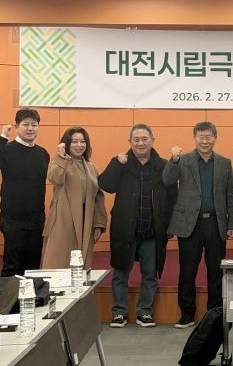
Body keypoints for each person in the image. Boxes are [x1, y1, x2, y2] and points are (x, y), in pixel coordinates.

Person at [98, 124, 178, 329]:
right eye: (136, 139)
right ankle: (119, 312)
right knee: (120, 272)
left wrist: (169, 226)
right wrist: (116, 164)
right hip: (125, 230)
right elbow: (105, 185)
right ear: (130, 142)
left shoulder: (163, 166)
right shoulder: (121, 163)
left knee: (150, 274)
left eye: (144, 139)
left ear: (152, 140)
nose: (140, 143)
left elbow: (173, 198)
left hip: (152, 231)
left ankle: (145, 312)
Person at [163, 121, 233, 329]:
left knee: (216, 271)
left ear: (215, 138)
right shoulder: (183, 160)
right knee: (187, 270)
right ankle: (187, 314)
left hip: (216, 222)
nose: (205, 141)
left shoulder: (224, 163)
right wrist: (173, 160)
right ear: (194, 138)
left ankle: (214, 313)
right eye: (201, 137)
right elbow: (167, 179)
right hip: (190, 223)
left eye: (209, 137)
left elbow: (230, 195)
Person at [0, 108, 49, 277]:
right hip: (12, 219)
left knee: (33, 267)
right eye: (25, 124)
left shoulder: (43, 153)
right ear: (17, 126)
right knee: (12, 267)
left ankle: (32, 295)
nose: (30, 128)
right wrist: (3, 137)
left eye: (34, 125)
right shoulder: (7, 149)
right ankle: (8, 295)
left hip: (36, 218)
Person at [41, 127, 107, 270]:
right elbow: (55, 178)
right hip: (63, 219)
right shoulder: (59, 162)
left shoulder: (92, 167)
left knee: (81, 265)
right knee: (59, 261)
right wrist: (61, 156)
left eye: (82, 141)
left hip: (86, 219)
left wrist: (98, 223)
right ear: (67, 144)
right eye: (74, 142)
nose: (79, 145)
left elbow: (98, 196)